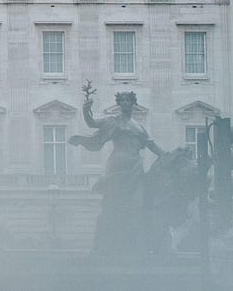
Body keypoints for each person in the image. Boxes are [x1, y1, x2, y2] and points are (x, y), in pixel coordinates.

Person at [69, 85, 164, 251]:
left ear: (133, 103)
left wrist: (168, 156)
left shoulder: (139, 126)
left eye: (128, 100)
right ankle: (112, 232)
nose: (126, 103)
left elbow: (152, 145)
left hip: (135, 165)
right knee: (114, 201)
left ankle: (133, 237)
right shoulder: (113, 121)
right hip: (118, 165)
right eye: (123, 100)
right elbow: (92, 123)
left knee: (139, 201)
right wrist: (86, 111)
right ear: (120, 103)